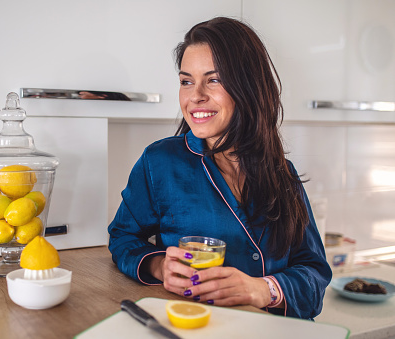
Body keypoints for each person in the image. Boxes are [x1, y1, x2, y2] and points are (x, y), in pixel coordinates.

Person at [107, 17, 332, 319]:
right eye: (186, 81)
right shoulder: (160, 163)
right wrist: (159, 265)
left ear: (249, 87)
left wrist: (262, 289)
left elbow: (314, 272)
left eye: (213, 79)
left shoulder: (283, 174)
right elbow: (122, 238)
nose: (195, 95)